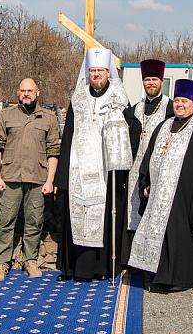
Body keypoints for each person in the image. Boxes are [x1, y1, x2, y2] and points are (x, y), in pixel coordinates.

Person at [127, 79, 193, 292]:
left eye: (185, 101)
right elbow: (147, 158)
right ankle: (155, 272)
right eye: (177, 100)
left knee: (179, 235)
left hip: (186, 197)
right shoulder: (163, 126)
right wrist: (146, 183)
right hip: (158, 194)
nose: (180, 105)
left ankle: (181, 277)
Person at [55, 47, 135, 282]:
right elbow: (68, 134)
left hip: (104, 171)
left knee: (104, 217)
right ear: (87, 73)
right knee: (75, 216)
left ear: (108, 72)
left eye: (100, 71)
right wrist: (63, 174)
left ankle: (102, 269)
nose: (96, 75)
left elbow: (127, 134)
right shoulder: (78, 98)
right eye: (93, 71)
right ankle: (71, 268)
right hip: (78, 168)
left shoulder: (119, 98)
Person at [0, 78, 61, 281]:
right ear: (18, 92)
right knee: (6, 221)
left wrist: (50, 180)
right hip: (11, 176)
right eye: (22, 90)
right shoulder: (5, 116)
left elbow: (54, 151)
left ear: (37, 92)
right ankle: (2, 262)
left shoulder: (48, 118)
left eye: (30, 90)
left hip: (37, 178)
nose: (26, 94)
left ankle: (30, 259)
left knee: (34, 221)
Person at [123, 59, 173, 262]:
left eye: (154, 79)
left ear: (161, 81)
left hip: (158, 169)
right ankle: (131, 258)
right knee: (133, 212)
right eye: (147, 79)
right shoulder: (133, 109)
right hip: (134, 169)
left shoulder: (171, 107)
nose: (151, 83)